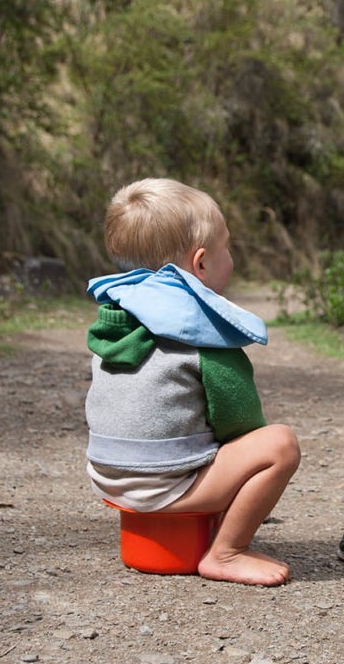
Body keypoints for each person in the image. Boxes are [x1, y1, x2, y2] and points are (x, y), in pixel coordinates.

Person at [83, 178, 301, 586]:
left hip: (107, 477)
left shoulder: (117, 315)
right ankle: (227, 553)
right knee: (278, 444)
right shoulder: (200, 330)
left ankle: (200, 519)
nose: (231, 256)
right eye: (227, 248)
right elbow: (241, 423)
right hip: (163, 487)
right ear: (201, 263)